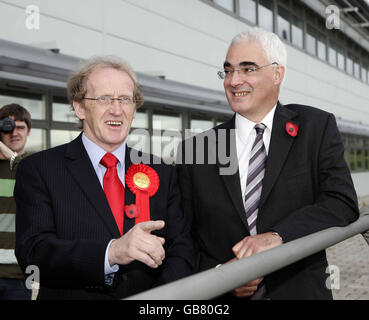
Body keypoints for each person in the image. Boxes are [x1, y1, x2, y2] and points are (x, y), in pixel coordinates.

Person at [176, 28, 359, 300]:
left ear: (277, 74)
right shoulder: (196, 149)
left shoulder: (315, 128)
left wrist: (278, 235)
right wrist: (220, 277)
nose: (234, 80)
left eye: (247, 69)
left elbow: (341, 202)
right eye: (228, 71)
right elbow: (184, 239)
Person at [14, 56, 194, 300]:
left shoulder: (162, 171)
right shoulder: (39, 169)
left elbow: (181, 249)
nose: (117, 110)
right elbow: (34, 253)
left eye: (125, 99)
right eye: (104, 99)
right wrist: (111, 253)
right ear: (79, 107)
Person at [0, 104, 32, 300]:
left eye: (20, 127)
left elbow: (28, 174)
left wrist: (8, 155)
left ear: (29, 131)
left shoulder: (37, 164)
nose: (14, 132)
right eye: (7, 127)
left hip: (20, 273)